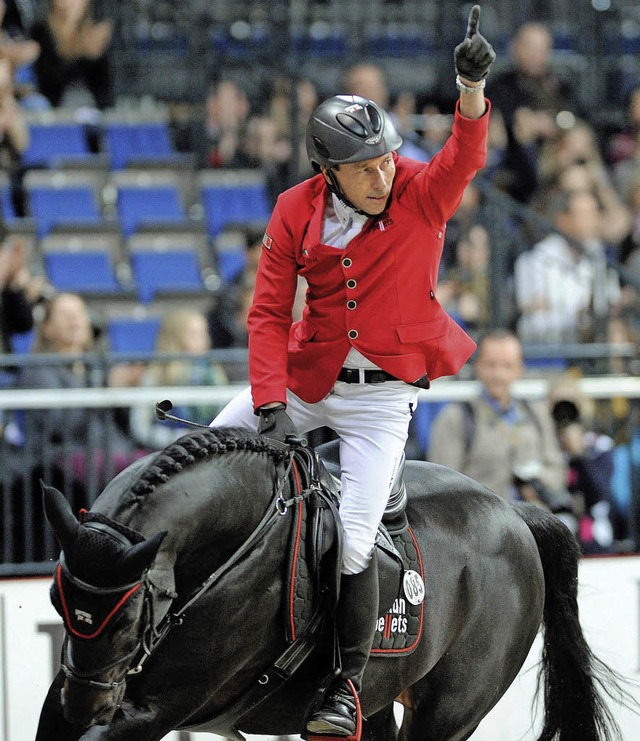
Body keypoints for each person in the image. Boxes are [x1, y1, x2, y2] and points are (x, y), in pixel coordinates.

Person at [210, 6, 495, 737]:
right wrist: (270, 402)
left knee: (359, 533)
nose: (381, 174)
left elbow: (462, 156)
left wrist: (469, 88)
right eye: (364, 167)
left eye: (385, 159)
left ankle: (342, 686)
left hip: (380, 401)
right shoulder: (292, 210)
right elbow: (269, 314)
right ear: (325, 169)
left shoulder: (418, 193)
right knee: (207, 454)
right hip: (308, 382)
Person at [428, 329, 568, 508]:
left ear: (520, 369)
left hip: (534, 523)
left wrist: (539, 482)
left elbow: (557, 467)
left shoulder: (537, 414)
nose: (498, 375)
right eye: (491, 365)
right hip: (480, 524)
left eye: (507, 366)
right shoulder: (456, 418)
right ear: (477, 366)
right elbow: (441, 484)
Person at [514, 188, 621, 344]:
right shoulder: (535, 260)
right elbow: (532, 320)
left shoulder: (598, 254)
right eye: (585, 214)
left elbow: (612, 303)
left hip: (590, 344)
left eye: (595, 212)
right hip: (549, 352)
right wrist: (579, 311)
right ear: (563, 219)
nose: (594, 220)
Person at [129, 308, 228, 450]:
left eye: (204, 332)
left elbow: (224, 420)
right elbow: (140, 427)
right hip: (166, 453)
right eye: (194, 334)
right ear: (175, 338)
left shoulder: (214, 373)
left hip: (208, 449)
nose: (204, 339)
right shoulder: (156, 375)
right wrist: (182, 439)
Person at [30, 0, 114, 110]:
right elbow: (48, 85)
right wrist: (84, 55)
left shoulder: (94, 33)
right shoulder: (40, 31)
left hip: (90, 111)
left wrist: (95, 56)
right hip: (54, 111)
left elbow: (103, 91)